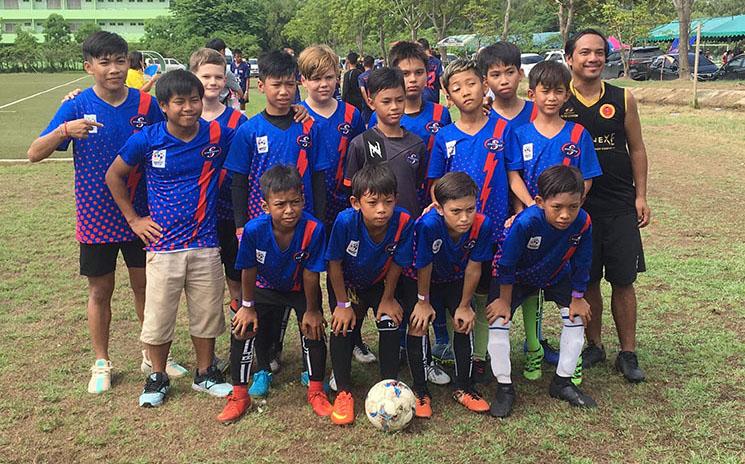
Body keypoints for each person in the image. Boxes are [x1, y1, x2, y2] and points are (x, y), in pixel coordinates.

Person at [27, 31, 173, 394]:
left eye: (119, 60)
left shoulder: (145, 104)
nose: (113, 69)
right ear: (88, 67)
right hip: (96, 216)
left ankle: (151, 355)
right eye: (104, 62)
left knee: (146, 288)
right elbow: (34, 153)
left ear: (129, 63)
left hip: (143, 213)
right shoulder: (75, 107)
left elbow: (169, 137)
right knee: (100, 290)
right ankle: (101, 362)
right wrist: (64, 130)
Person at [106, 69, 234, 407]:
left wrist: (299, 111)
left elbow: (254, 136)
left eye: (194, 100)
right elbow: (114, 175)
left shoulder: (218, 134)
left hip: (205, 242)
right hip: (163, 247)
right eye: (179, 102)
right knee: (159, 316)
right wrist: (134, 219)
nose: (189, 108)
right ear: (164, 105)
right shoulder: (148, 139)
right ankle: (157, 377)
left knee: (206, 313)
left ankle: (206, 373)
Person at [225, 50, 331, 374]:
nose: (283, 92)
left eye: (289, 85)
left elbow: (318, 176)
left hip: (302, 226)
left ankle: (309, 362)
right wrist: (242, 225)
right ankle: (266, 355)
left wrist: (322, 222)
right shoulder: (249, 131)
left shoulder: (308, 127)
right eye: (276, 85)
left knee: (305, 286)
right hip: (263, 229)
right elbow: (239, 181)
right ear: (261, 86)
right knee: (265, 293)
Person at [428, 58, 525, 384]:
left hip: (495, 229)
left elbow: (513, 175)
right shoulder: (444, 137)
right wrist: (437, 210)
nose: (465, 92)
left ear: (484, 85)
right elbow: (435, 184)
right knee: (460, 290)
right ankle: (457, 348)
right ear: (447, 95)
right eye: (456, 88)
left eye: (470, 84)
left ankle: (483, 357)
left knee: (489, 293)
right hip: (458, 233)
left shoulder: (503, 129)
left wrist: (525, 208)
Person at [505, 60, 602, 384]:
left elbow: (586, 178)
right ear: (532, 93)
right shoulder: (520, 134)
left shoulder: (578, 134)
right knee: (529, 282)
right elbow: (513, 173)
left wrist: (568, 207)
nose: (551, 97)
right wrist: (530, 207)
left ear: (566, 96)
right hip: (533, 220)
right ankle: (533, 347)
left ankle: (568, 361)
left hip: (563, 222)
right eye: (545, 91)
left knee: (564, 279)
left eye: (558, 91)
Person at [562, 29, 650, 383]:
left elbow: (638, 148)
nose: (593, 59)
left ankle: (627, 353)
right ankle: (594, 344)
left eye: (599, 52)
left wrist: (640, 195)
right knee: (588, 281)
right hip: (575, 208)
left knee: (623, 280)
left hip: (618, 204)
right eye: (585, 52)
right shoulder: (557, 97)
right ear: (569, 58)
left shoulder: (623, 97)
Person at [217, 165, 331, 423]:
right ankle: (239, 395)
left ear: (303, 199)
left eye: (295, 202)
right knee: (242, 327)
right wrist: (247, 306)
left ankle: (316, 391)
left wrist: (312, 310)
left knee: (314, 328)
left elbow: (311, 274)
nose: (289, 210)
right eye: (280, 204)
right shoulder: (254, 230)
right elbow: (248, 269)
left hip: (300, 289)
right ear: (265, 206)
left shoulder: (314, 228)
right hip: (264, 288)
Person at [486, 165, 597, 417]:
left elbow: (583, 260)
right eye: (557, 207)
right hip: (514, 278)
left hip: (555, 273)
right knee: (498, 321)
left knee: (577, 317)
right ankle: (504, 387)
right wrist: (504, 300)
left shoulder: (583, 222)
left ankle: (562, 382)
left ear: (582, 201)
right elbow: (506, 263)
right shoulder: (526, 223)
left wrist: (578, 297)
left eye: (573, 206)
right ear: (539, 201)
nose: (565, 215)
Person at [326, 163, 415, 425]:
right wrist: (342, 303)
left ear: (395, 200)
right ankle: (343, 390)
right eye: (373, 202)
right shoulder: (344, 222)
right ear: (356, 202)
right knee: (342, 326)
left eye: (388, 202)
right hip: (347, 284)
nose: (381, 209)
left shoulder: (403, 221)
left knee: (389, 322)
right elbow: (334, 263)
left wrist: (388, 298)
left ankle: (388, 387)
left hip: (379, 284)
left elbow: (399, 261)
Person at [403, 172, 495, 417]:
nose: (465, 218)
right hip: (421, 280)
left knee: (463, 322)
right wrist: (423, 302)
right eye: (456, 211)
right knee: (418, 324)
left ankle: (464, 387)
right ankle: (420, 391)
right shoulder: (427, 225)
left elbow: (474, 266)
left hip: (454, 279)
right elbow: (424, 264)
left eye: (470, 209)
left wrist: (465, 305)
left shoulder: (482, 224)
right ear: (439, 208)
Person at [190, 47, 247, 337]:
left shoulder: (239, 121)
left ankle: (240, 344)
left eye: (218, 77)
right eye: (205, 76)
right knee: (205, 285)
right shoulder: (182, 118)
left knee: (236, 279)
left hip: (230, 213)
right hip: (195, 217)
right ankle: (208, 349)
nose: (212, 82)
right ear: (193, 77)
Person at [205, 38, 244, 107]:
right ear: (222, 51)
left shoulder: (201, 71)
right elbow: (239, 91)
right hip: (222, 109)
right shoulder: (225, 72)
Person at [417, 38, 444, 104]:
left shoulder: (418, 62)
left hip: (421, 98)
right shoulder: (437, 62)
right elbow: (441, 79)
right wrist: (446, 93)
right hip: (433, 97)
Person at [358, 55, 375, 124]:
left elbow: (362, 90)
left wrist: (368, 103)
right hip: (377, 101)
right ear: (373, 64)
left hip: (366, 103)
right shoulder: (376, 74)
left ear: (364, 64)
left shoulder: (361, 77)